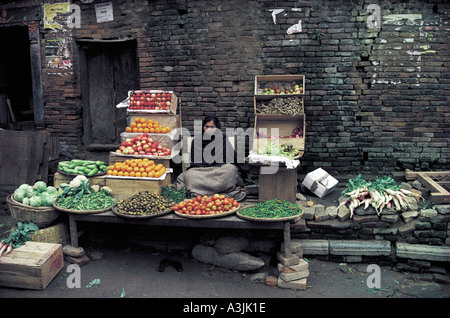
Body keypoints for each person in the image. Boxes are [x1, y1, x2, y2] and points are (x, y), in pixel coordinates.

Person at [176, 115, 247, 201]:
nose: (209, 129)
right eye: (207, 126)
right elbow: (195, 161)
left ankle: (201, 193)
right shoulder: (197, 140)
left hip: (219, 169)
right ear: (203, 127)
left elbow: (231, 157)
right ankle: (223, 194)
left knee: (230, 170)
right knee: (189, 175)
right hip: (201, 170)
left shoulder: (222, 138)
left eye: (212, 127)